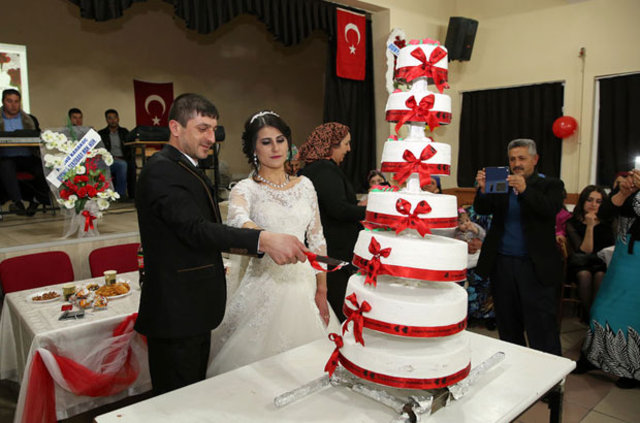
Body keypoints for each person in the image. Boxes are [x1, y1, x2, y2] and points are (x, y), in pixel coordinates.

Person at [135, 94, 309, 396]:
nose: (211, 138)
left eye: (214, 130)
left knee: (193, 392)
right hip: (176, 310)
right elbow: (195, 230)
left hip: (193, 306)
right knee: (176, 401)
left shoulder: (185, 166)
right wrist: (263, 239)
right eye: (202, 129)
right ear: (175, 127)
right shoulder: (161, 170)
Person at [208, 111, 340, 376]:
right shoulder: (246, 189)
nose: (275, 148)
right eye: (266, 142)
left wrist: (322, 289)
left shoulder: (306, 185)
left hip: (305, 285)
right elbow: (237, 221)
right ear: (254, 148)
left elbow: (317, 239)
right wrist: (268, 238)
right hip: (264, 286)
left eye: (280, 140)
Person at [473, 138, 563, 355]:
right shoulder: (501, 182)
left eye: (522, 158)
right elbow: (483, 209)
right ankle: (515, 369)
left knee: (541, 326)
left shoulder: (551, 185)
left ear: (535, 159)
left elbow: (549, 209)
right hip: (502, 264)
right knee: (508, 324)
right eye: (512, 159)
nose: (516, 164)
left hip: (535, 267)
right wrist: (483, 190)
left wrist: (525, 189)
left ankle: (550, 374)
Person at [578, 169, 640, 389]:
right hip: (622, 256)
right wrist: (623, 192)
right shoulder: (629, 184)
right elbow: (604, 213)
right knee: (601, 307)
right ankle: (592, 357)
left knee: (633, 314)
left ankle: (632, 370)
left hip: (638, 260)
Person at [299, 122, 365, 321]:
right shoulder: (324, 170)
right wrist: (370, 211)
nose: (349, 149)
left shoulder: (316, 169)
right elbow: (338, 209)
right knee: (337, 306)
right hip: (333, 251)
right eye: (346, 143)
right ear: (331, 145)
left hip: (329, 250)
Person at [565, 185, 614, 318]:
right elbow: (585, 251)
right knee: (584, 275)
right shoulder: (572, 223)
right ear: (583, 201)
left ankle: (596, 317)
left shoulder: (608, 222)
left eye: (598, 201)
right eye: (590, 200)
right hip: (580, 263)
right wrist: (590, 226)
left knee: (600, 275)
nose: (593, 204)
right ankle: (589, 318)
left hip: (601, 263)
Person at [0, 88, 50, 216]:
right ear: (3, 102)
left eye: (16, 101)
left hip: (27, 157)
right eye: (9, 101)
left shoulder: (30, 119)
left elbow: (38, 136)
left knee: (43, 167)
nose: (13, 105)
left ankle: (37, 200)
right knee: (6, 166)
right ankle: (17, 202)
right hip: (5, 158)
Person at [98, 109, 135, 199]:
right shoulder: (102, 134)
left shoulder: (124, 132)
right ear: (107, 120)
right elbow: (99, 150)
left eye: (115, 118)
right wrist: (111, 157)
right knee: (122, 165)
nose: (113, 120)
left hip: (123, 158)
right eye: (110, 118)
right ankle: (120, 195)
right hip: (109, 161)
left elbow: (131, 147)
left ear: (118, 119)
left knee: (129, 165)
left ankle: (132, 195)